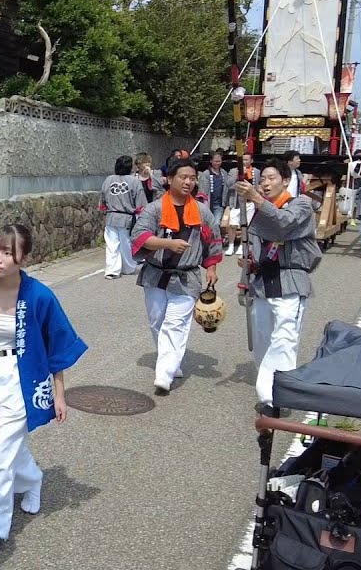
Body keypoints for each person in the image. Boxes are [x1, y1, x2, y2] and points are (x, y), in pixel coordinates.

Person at [0, 224, 86, 562]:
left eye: (8, 253)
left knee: (0, 457)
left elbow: (57, 346)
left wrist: (60, 392)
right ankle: (32, 478)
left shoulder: (40, 296)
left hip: (20, 377)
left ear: (24, 258)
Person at [130, 158, 224, 396]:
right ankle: (172, 362)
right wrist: (167, 243)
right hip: (155, 274)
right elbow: (139, 237)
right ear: (169, 179)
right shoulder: (154, 209)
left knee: (175, 323)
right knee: (157, 322)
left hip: (187, 277)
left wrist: (211, 268)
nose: (188, 182)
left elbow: (212, 241)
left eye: (193, 178)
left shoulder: (202, 211)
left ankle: (164, 374)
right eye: (183, 177)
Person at [235, 159, 321, 410]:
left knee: (284, 338)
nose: (265, 183)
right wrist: (249, 264)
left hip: (290, 281)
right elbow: (258, 246)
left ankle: (274, 397)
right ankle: (271, 387)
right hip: (263, 281)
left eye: (271, 177)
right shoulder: (258, 211)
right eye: (262, 179)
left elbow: (284, 225)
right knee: (262, 340)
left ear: (285, 180)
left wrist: (256, 199)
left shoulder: (301, 204)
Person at [99, 155, 148, 279]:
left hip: (111, 216)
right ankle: (128, 268)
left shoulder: (108, 180)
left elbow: (103, 199)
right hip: (127, 218)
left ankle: (112, 270)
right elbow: (141, 203)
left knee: (111, 244)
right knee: (126, 243)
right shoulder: (134, 181)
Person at [225, 152, 257, 255]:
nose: (244, 162)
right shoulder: (233, 171)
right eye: (243, 160)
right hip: (236, 201)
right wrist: (237, 174)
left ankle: (242, 245)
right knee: (232, 225)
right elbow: (228, 185)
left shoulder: (256, 172)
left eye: (247, 160)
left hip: (250, 202)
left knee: (246, 225)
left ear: (251, 161)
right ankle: (230, 245)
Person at [203, 149, 233, 221]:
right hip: (208, 203)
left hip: (219, 204)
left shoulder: (224, 173)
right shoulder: (206, 174)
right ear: (211, 161)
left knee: (216, 223)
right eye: (215, 161)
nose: (217, 163)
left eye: (219, 161)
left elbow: (227, 186)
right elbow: (202, 190)